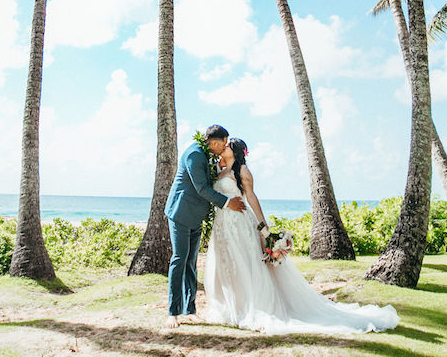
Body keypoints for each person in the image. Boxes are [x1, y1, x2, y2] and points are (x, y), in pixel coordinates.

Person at [202, 138, 398, 334]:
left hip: (239, 224)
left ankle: (250, 307)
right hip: (223, 227)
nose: (223, 147)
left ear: (235, 150)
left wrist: (264, 227)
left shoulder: (243, 171)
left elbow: (251, 197)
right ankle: (232, 307)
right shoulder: (221, 171)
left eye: (227, 145)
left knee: (245, 264)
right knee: (228, 265)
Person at [164, 124, 246, 329]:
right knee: (179, 260)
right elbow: (201, 188)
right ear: (215, 142)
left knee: (191, 263)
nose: (225, 146)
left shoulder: (206, 154)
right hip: (181, 212)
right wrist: (228, 203)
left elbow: (208, 179)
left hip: (196, 216)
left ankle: (189, 310)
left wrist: (219, 168)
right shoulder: (194, 154)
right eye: (224, 143)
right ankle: (172, 312)